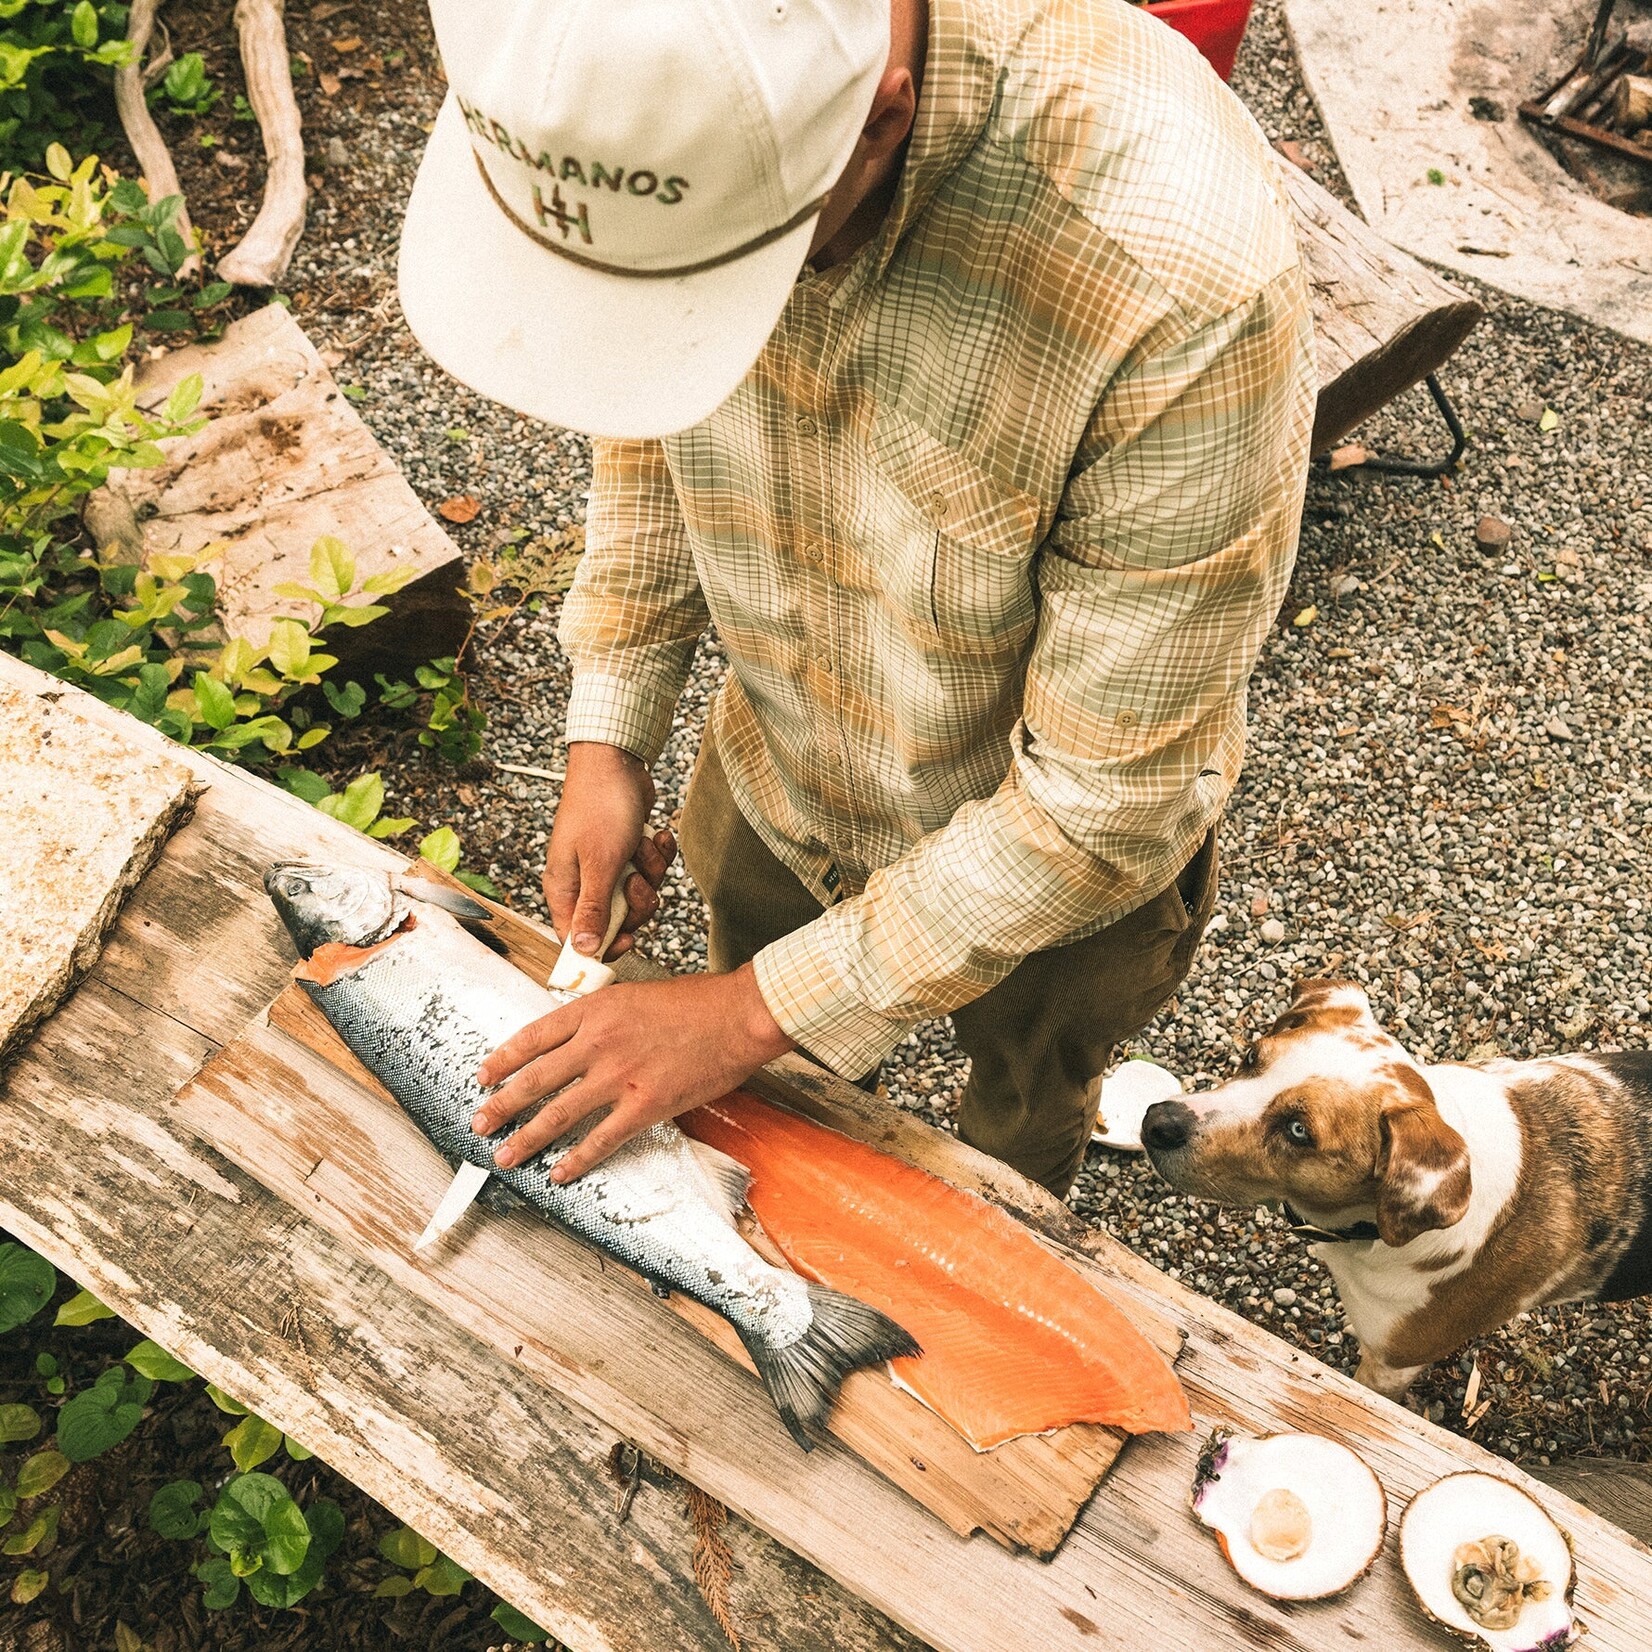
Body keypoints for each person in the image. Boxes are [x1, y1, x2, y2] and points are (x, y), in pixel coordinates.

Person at [397, 0, 1316, 1195]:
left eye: (733, 273)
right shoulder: (592, 77)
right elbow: (644, 386)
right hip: (773, 774)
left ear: (880, 113)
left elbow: (1103, 805)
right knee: (786, 1129)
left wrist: (735, 1018)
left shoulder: (1176, 282)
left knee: (1019, 1116)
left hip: (1062, 894)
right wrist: (610, 726)